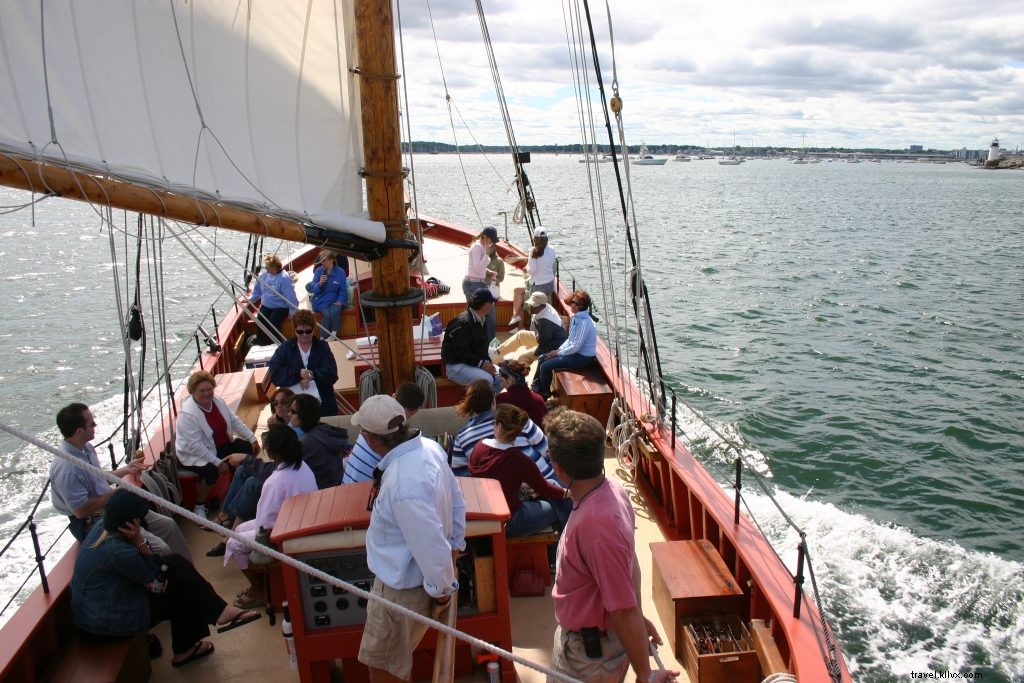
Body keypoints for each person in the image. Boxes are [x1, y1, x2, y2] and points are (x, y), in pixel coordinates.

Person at [544, 409, 679, 683]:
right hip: (604, 646)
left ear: (559, 468)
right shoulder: (613, 490)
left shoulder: (594, 526)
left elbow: (621, 610)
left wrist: (646, 675)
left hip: (586, 659)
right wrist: (638, 618)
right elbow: (630, 567)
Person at [71, 489, 260, 668]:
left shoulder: (102, 528)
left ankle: (220, 611)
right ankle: (185, 650)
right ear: (131, 523)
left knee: (175, 564)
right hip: (109, 621)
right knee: (182, 591)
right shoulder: (119, 551)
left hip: (102, 609)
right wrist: (140, 541)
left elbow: (153, 572)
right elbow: (155, 584)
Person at [354, 395, 466, 682]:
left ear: (369, 438)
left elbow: (428, 543)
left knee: (382, 670)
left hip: (400, 592)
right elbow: (456, 500)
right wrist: (454, 551)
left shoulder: (402, 483)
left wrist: (442, 590)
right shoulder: (431, 448)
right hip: (417, 582)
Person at [51, 403, 191, 560]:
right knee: (161, 548)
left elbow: (96, 477)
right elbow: (81, 511)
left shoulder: (86, 448)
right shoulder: (67, 470)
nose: (95, 425)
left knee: (169, 526)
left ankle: (188, 573)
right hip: (95, 520)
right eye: (92, 423)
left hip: (113, 505)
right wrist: (118, 493)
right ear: (79, 431)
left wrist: (125, 470)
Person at [226, 424, 318, 609]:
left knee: (233, 542)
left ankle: (258, 589)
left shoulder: (275, 483)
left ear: (274, 453)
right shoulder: (302, 465)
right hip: (300, 520)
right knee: (239, 529)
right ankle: (261, 583)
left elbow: (264, 525)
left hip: (286, 532)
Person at [469, 404, 571, 537]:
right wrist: (567, 493)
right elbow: (545, 489)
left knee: (552, 484)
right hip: (512, 521)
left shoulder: (479, 447)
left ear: (499, 427)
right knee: (561, 502)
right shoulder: (520, 460)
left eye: (494, 423)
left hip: (484, 512)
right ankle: (568, 543)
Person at [175, 371, 260, 511]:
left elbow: (234, 421)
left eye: (209, 389)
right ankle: (199, 506)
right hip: (195, 455)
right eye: (202, 391)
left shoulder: (218, 401)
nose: (207, 393)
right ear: (192, 392)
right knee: (210, 472)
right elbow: (195, 446)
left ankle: (238, 481)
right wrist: (218, 463)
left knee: (247, 449)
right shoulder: (187, 415)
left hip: (219, 445)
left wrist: (252, 438)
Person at [449, 379, 553, 480]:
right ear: (493, 400)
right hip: (544, 479)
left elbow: (462, 477)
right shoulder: (518, 417)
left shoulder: (462, 437)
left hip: (500, 493)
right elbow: (547, 450)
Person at [342, 382, 425, 484]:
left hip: (348, 486)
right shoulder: (398, 443)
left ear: (394, 396)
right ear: (416, 410)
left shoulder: (372, 421)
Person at [268, 308, 340, 416]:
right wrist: (298, 374)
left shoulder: (323, 347)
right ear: (294, 330)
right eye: (300, 332)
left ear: (313, 328)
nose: (304, 335)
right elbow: (275, 373)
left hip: (322, 405)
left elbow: (332, 373)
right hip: (294, 410)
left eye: (308, 331)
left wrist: (312, 374)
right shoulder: (285, 349)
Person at [531, 290, 598, 400]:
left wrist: (558, 353)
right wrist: (558, 350)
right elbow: (570, 339)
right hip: (575, 353)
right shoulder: (576, 317)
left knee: (545, 366)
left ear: (581, 306)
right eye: (572, 301)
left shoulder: (584, 322)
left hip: (582, 358)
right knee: (542, 358)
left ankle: (544, 394)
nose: (572, 304)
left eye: (575, 303)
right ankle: (536, 388)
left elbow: (576, 347)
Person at [441, 288, 501, 394]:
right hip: (456, 366)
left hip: (472, 362)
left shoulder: (480, 319)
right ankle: (484, 407)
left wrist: (487, 361)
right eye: (491, 302)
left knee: (502, 375)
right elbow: (461, 353)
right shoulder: (462, 324)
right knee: (487, 381)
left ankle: (490, 403)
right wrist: (482, 364)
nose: (493, 305)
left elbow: (481, 346)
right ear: (484, 305)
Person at [491, 291, 567, 367]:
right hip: (545, 338)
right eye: (530, 304)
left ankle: (517, 378)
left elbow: (542, 343)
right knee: (521, 334)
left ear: (541, 306)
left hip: (552, 346)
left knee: (522, 357)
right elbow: (537, 333)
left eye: (534, 305)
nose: (530, 306)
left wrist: (533, 352)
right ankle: (496, 353)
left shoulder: (545, 321)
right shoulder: (543, 308)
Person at [290, 393, 349, 489]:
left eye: (293, 411)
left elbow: (288, 469)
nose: (289, 414)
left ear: (304, 414)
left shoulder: (306, 443)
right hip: (338, 485)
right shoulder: (325, 430)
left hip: (322, 493)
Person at [504, 226, 557, 327]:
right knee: (521, 292)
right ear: (547, 238)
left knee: (519, 294)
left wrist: (526, 269)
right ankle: (517, 321)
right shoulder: (552, 249)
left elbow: (531, 271)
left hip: (538, 287)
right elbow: (545, 260)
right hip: (549, 286)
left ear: (534, 239)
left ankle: (517, 318)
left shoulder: (533, 251)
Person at [249, 253, 298, 345]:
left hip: (281, 306)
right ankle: (262, 341)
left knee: (273, 321)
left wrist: (292, 312)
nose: (266, 269)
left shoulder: (284, 278)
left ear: (275, 267)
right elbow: (258, 290)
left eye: (268, 267)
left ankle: (277, 342)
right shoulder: (264, 276)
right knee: (260, 319)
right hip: (267, 305)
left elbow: (290, 297)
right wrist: (251, 299)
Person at [463, 226, 499, 343]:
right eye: (491, 239)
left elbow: (479, 267)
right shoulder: (477, 247)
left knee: (488, 310)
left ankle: (489, 341)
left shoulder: (483, 246)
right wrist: (487, 255)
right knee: (477, 313)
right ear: (485, 236)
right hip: (472, 284)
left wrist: (489, 272)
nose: (492, 242)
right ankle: (487, 341)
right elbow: (477, 268)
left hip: (479, 283)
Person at [494, 359, 548, 426]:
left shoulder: (500, 399)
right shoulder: (539, 399)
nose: (502, 385)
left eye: (502, 381)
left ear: (510, 379)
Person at [309, 250, 348, 340]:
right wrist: (320, 283)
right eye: (321, 260)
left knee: (335, 310)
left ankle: (334, 334)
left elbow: (343, 290)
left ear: (331, 260)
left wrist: (340, 300)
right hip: (321, 299)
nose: (322, 263)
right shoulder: (319, 272)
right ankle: (323, 337)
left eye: (324, 260)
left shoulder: (340, 272)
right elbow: (313, 289)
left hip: (334, 299)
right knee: (327, 314)